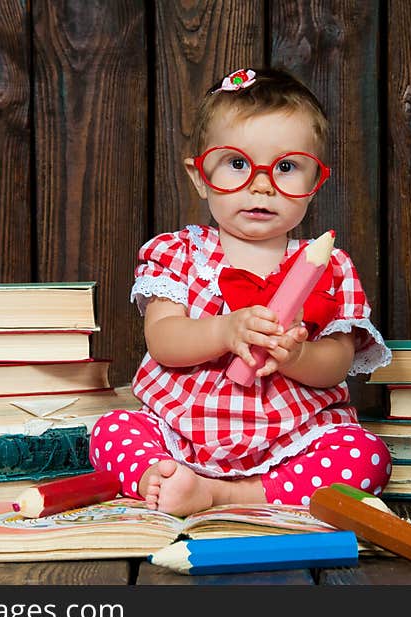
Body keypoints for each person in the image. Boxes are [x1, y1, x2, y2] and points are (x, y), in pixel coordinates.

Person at [89, 67, 392, 516]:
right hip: (181, 431)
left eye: (286, 167)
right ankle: (164, 475)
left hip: (294, 436)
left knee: (366, 455)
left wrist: (296, 357)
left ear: (315, 184)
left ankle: (224, 496)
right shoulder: (179, 253)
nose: (262, 184)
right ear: (199, 176)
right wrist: (226, 331)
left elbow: (337, 364)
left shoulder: (326, 265)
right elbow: (164, 341)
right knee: (111, 430)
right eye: (237, 164)